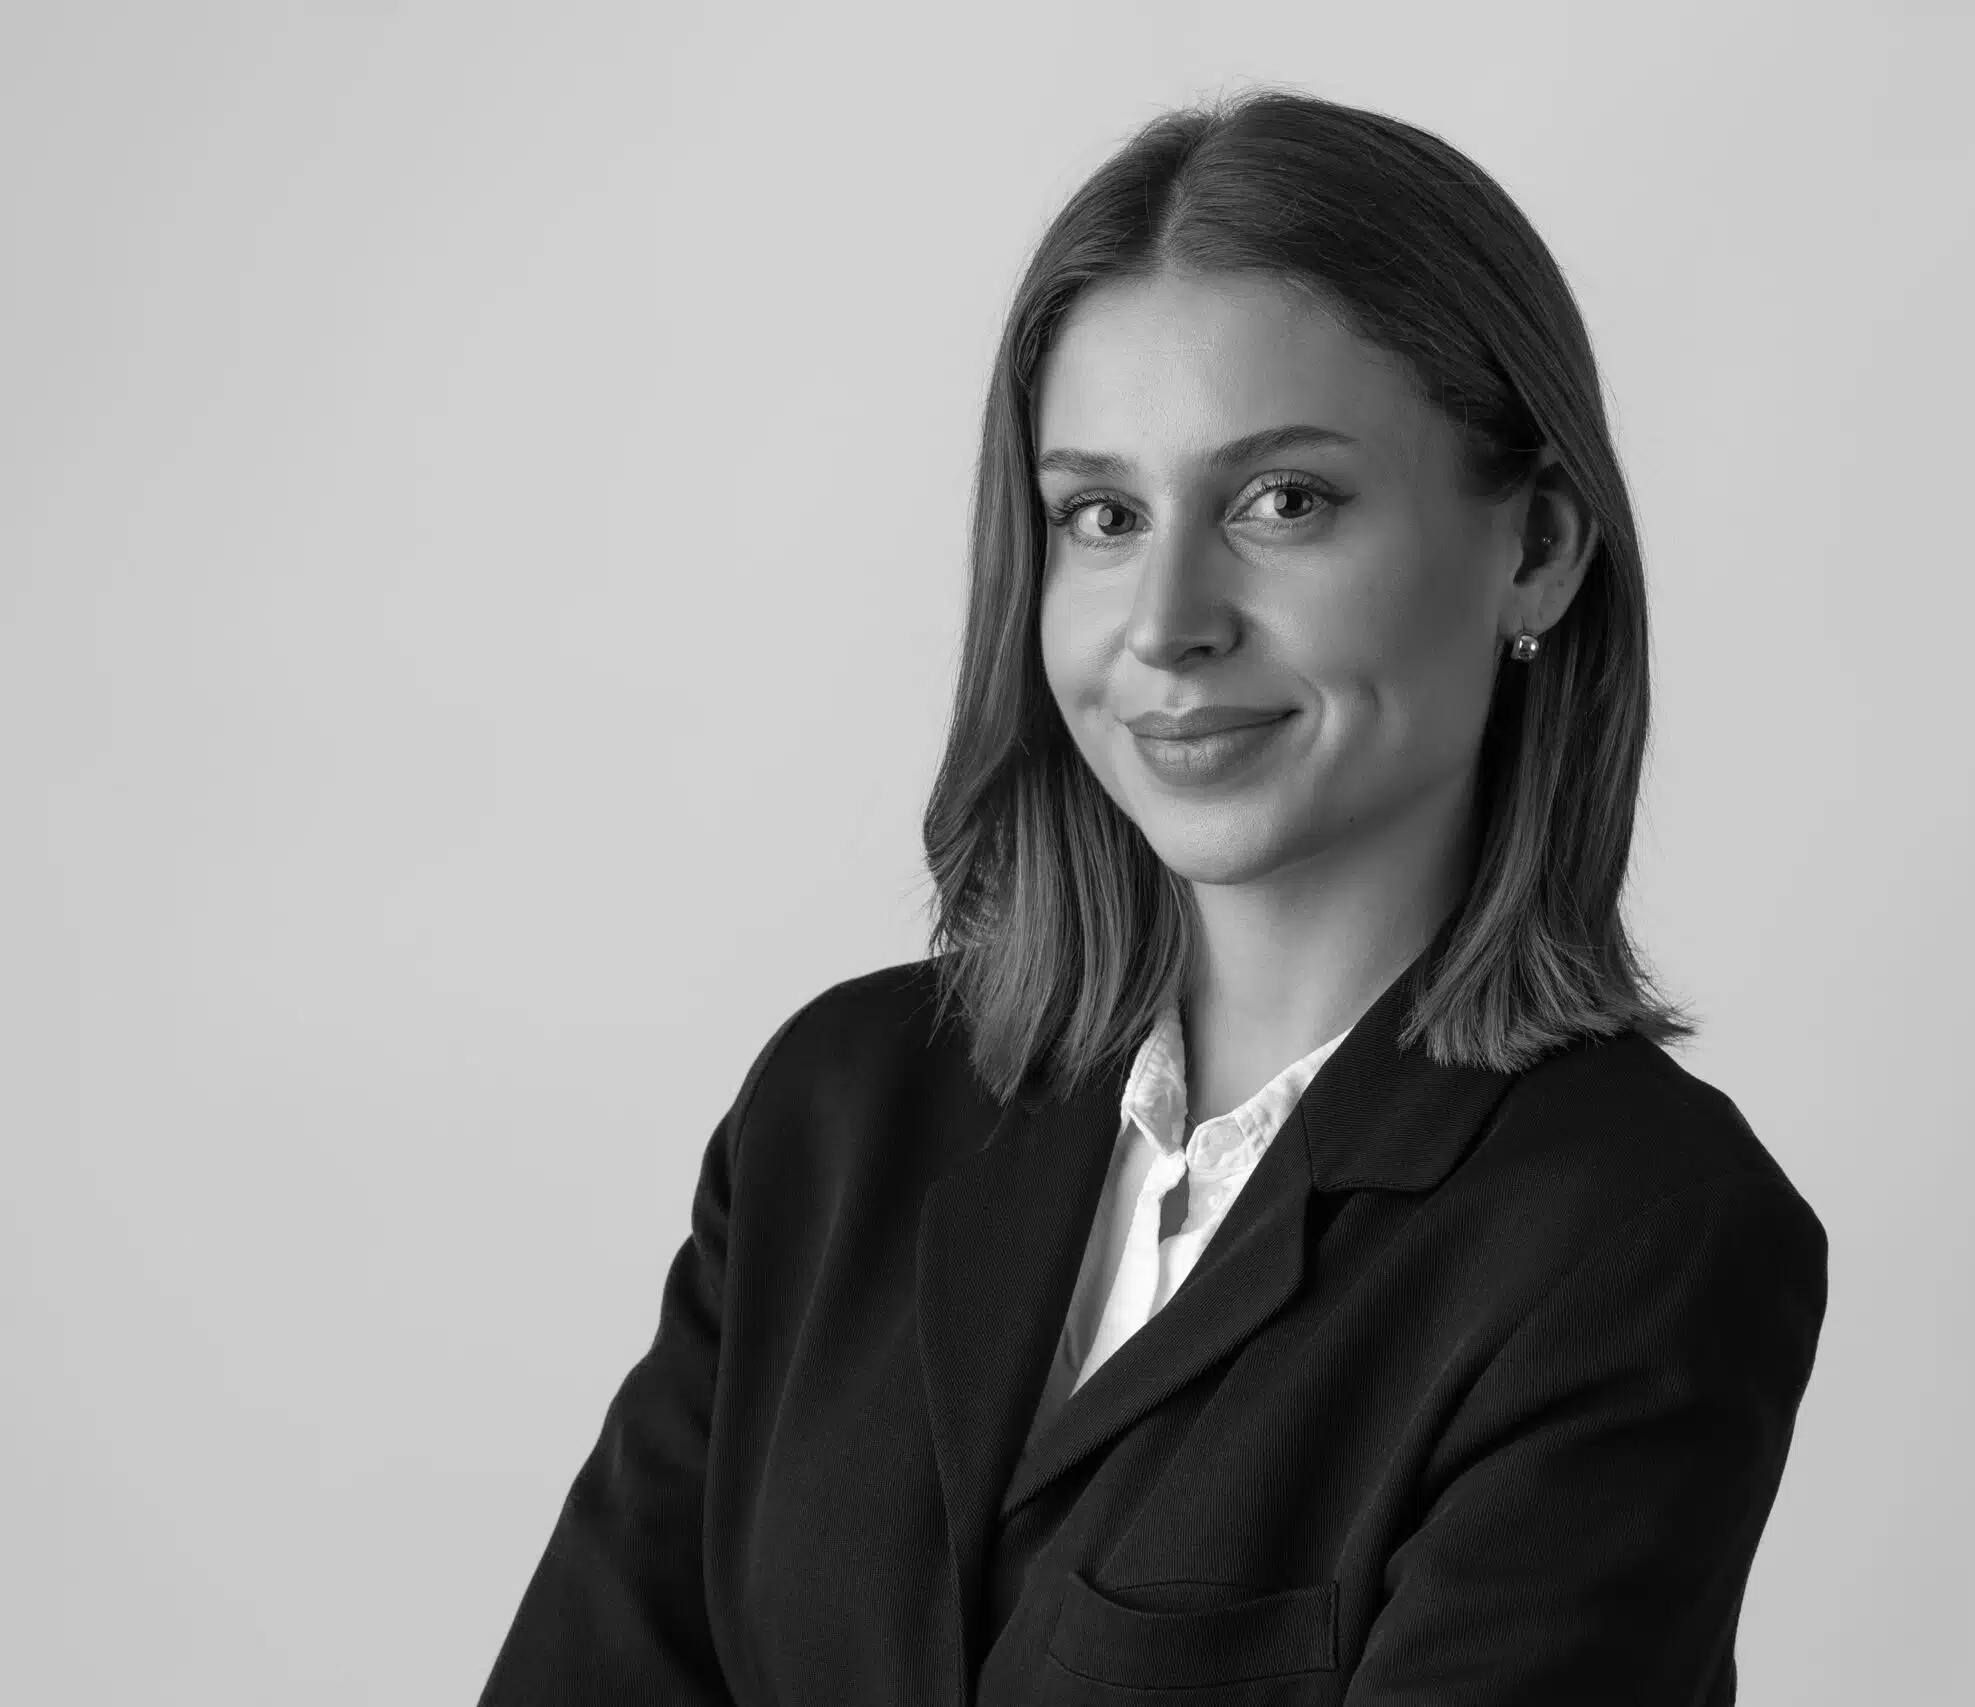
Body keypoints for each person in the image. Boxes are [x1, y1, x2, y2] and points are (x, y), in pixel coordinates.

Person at [478, 88, 1828, 1707]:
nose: (1168, 619)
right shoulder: (834, 1117)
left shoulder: (1634, 1232)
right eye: (1102, 516)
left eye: (1285, 500)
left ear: (1537, 545)